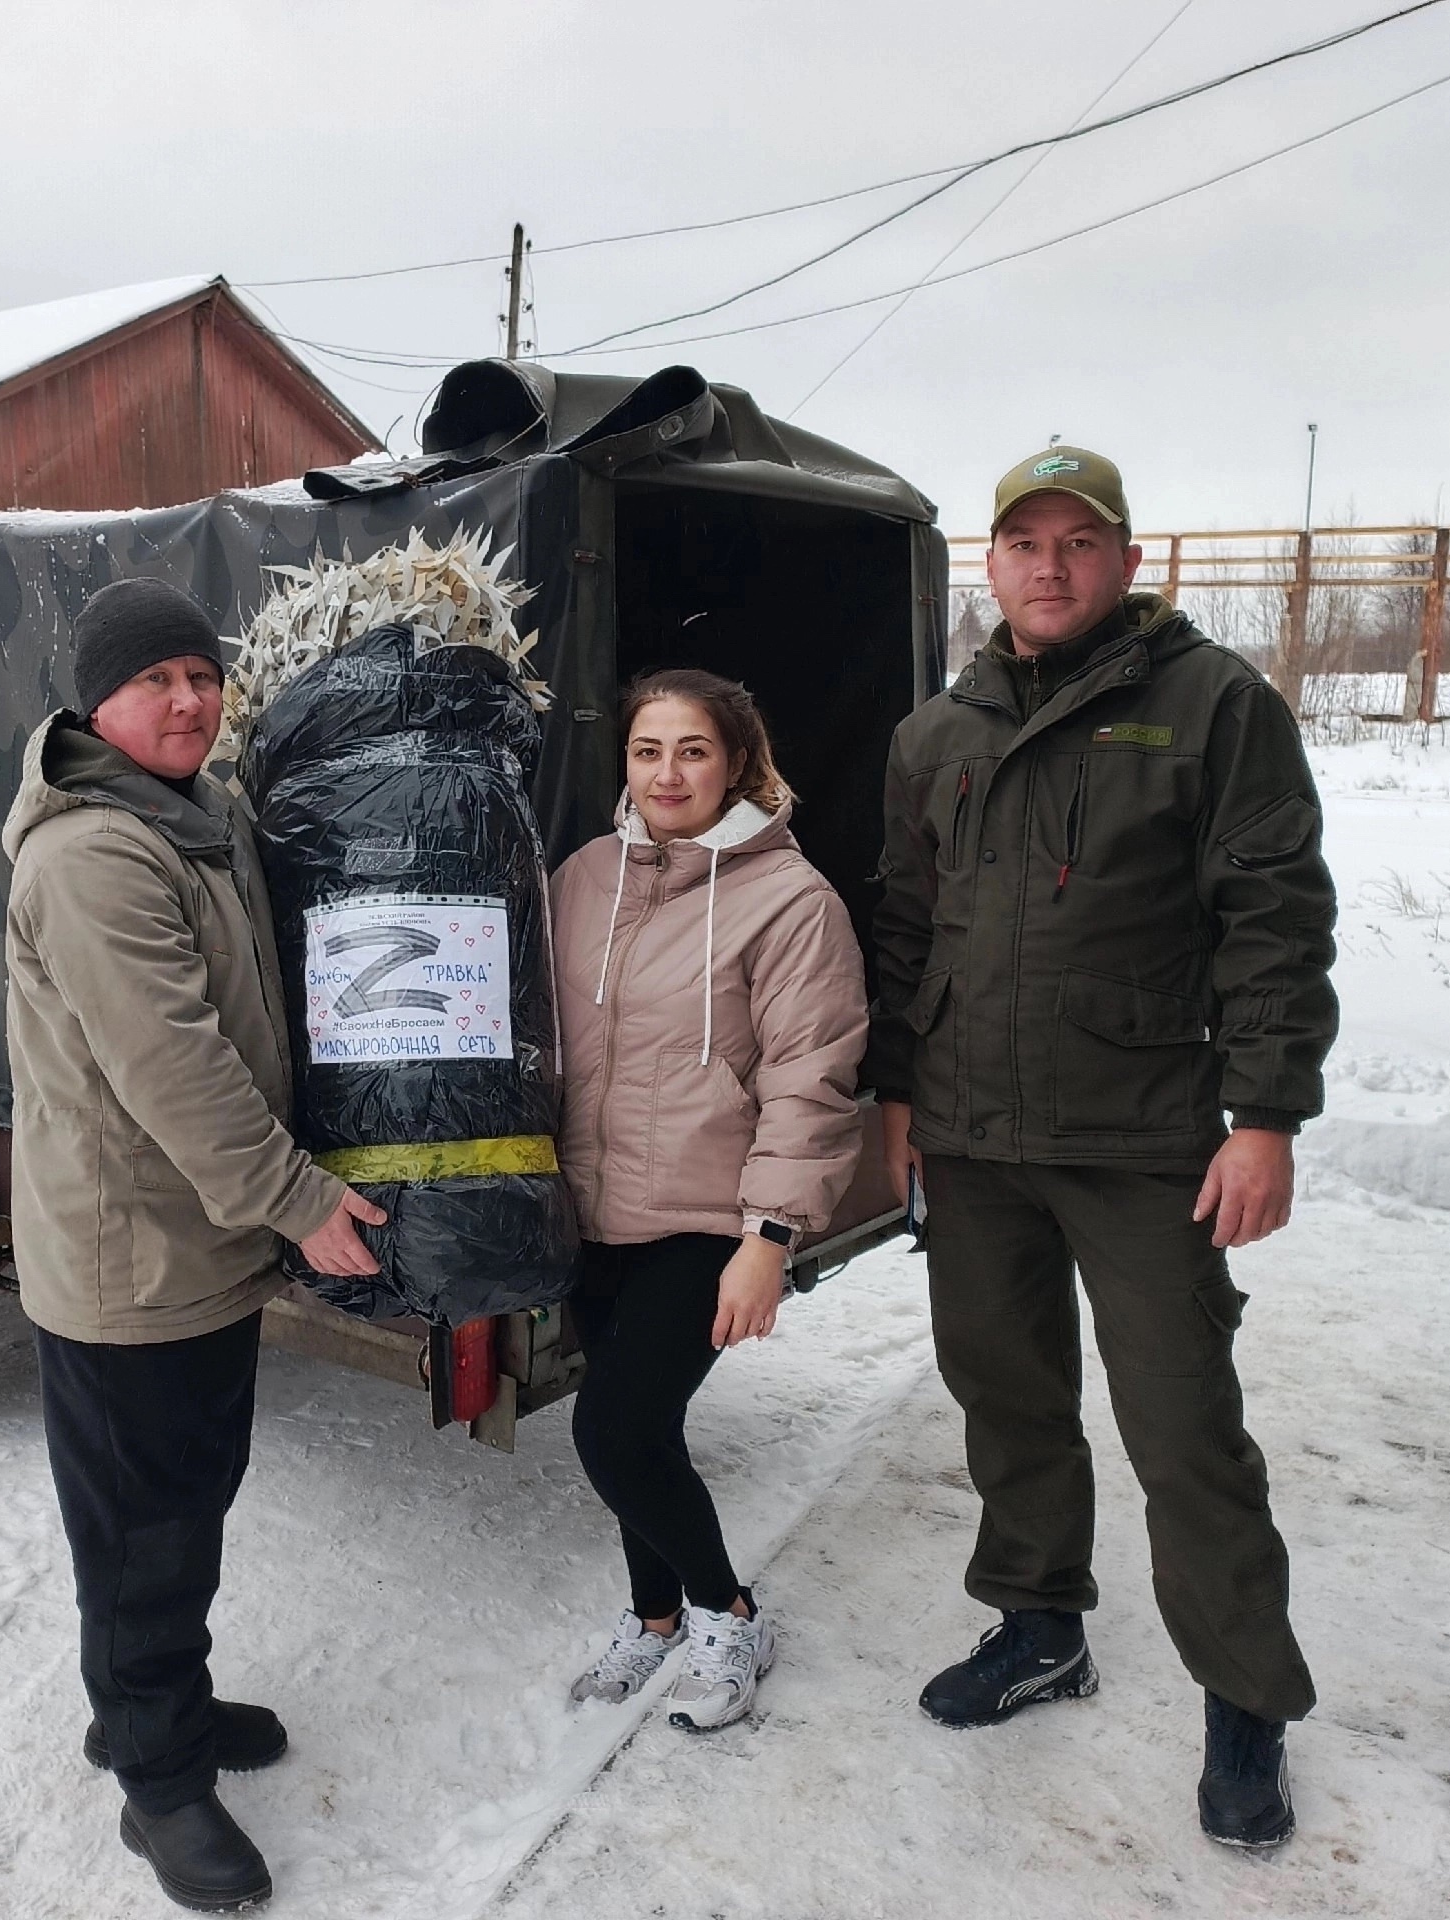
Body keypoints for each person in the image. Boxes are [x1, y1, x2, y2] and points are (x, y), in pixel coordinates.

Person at [866, 448, 1339, 1849]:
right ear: (990, 564)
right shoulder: (935, 733)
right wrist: (898, 1095)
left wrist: (1266, 1116)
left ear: (1130, 562)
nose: (1051, 566)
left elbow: (1275, 915)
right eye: (1024, 542)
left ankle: (1246, 1698)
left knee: (1184, 1430)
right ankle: (1039, 1623)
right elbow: (906, 926)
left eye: (1081, 542)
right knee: (1005, 1395)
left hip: (1143, 1138)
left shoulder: (1212, 705)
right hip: (972, 1129)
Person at [2, 576, 388, 1914]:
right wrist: (300, 1199)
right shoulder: (92, 854)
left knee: (183, 1499)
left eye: (203, 677)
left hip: (195, 1246)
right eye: (156, 680)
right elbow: (173, 1066)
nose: (188, 701)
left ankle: (152, 1706)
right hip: (128, 1263)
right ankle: (157, 1781)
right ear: (94, 700)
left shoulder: (196, 817)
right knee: (143, 1530)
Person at [550, 668, 868, 1733]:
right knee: (645, 1433)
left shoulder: (790, 899)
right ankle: (653, 1622)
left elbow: (807, 1076)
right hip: (591, 1211)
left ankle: (725, 1610)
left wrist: (767, 1238)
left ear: (736, 760)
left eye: (692, 749)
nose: (667, 772)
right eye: (648, 750)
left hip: (705, 1217)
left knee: (614, 1429)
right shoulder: (585, 876)